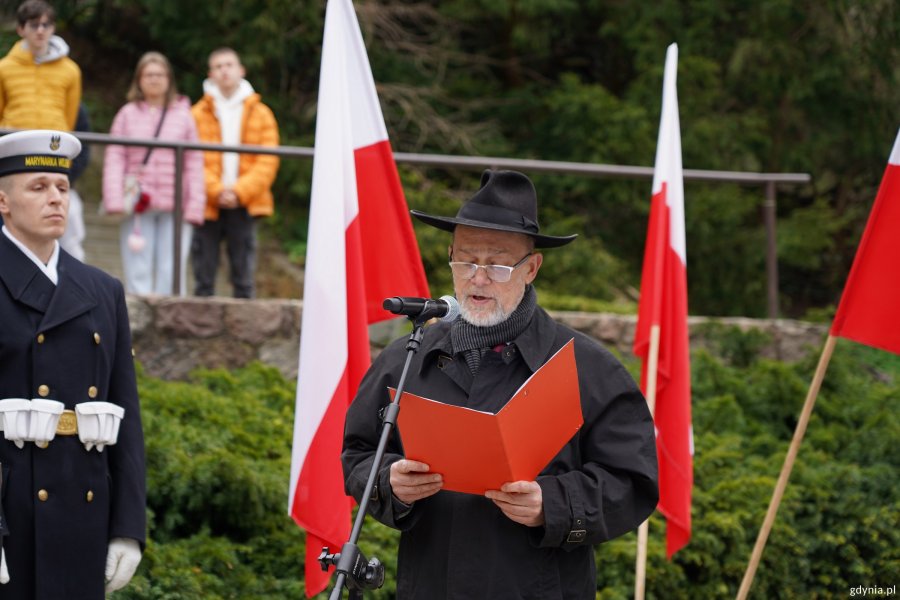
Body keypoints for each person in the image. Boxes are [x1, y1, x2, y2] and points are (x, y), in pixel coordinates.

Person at [342, 170, 659, 599]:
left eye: (498, 263)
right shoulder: (407, 357)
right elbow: (357, 454)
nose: (478, 277)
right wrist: (389, 483)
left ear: (531, 268)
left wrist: (554, 504)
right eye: (466, 260)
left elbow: (632, 482)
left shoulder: (588, 368)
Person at [0, 129, 146, 598]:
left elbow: (125, 412)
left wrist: (127, 525)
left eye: (62, 188)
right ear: (3, 201)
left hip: (82, 515)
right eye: (38, 187)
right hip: (11, 514)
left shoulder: (103, 290)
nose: (55, 199)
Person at [102, 51, 205, 295]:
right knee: (137, 262)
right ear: (139, 79)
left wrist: (196, 204)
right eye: (148, 75)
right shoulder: (127, 114)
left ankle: (169, 316)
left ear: (169, 79)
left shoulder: (184, 115)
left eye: (160, 74)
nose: (154, 79)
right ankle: (140, 312)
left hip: (176, 202)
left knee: (172, 265)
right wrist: (114, 198)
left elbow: (194, 161)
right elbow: (115, 156)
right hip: (139, 200)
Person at [191, 47, 280, 298]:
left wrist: (239, 192)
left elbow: (267, 161)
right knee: (203, 272)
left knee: (243, 274)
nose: (224, 71)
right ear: (211, 73)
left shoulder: (262, 113)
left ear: (241, 70)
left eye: (229, 65)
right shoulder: (196, 114)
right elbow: (192, 160)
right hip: (208, 202)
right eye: (218, 66)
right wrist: (217, 191)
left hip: (246, 202)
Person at [0, 0, 81, 132]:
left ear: (53, 28)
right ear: (21, 29)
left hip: (53, 145)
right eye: (34, 25)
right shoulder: (3, 67)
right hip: (14, 144)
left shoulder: (71, 70)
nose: (40, 31)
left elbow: (70, 117)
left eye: (46, 25)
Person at [58, 102, 90, 260]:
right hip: (20, 183)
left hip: (67, 182)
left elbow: (83, 150)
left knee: (71, 242)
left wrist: (63, 179)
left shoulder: (75, 108)